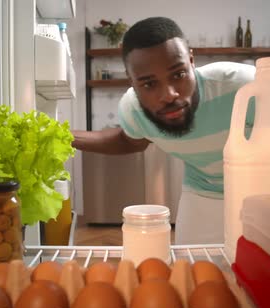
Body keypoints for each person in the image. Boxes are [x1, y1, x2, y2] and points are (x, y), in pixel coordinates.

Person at [72, 17, 255, 244]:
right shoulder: (134, 109)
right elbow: (130, 141)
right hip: (203, 193)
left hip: (264, 192)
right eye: (149, 84)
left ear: (191, 61)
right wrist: (64, 136)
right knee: (192, 269)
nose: (169, 94)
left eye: (178, 75)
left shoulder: (245, 86)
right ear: (132, 82)